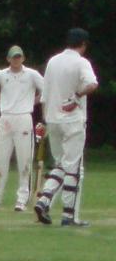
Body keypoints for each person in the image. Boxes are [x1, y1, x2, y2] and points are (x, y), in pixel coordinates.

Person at [34, 28, 99, 227]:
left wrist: (44, 120)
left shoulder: (53, 61)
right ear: (84, 44)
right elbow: (92, 84)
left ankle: (44, 200)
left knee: (61, 165)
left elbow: (44, 95)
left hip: (53, 120)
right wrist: (77, 96)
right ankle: (69, 216)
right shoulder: (81, 62)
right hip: (72, 121)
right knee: (73, 169)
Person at [0, 45, 44, 212]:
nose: (16, 60)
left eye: (19, 57)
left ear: (23, 58)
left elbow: (47, 89)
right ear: (8, 59)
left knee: (24, 160)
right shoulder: (2, 74)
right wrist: (0, 97)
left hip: (23, 118)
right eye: (13, 57)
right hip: (6, 118)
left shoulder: (31, 74)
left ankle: (22, 200)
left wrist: (33, 102)